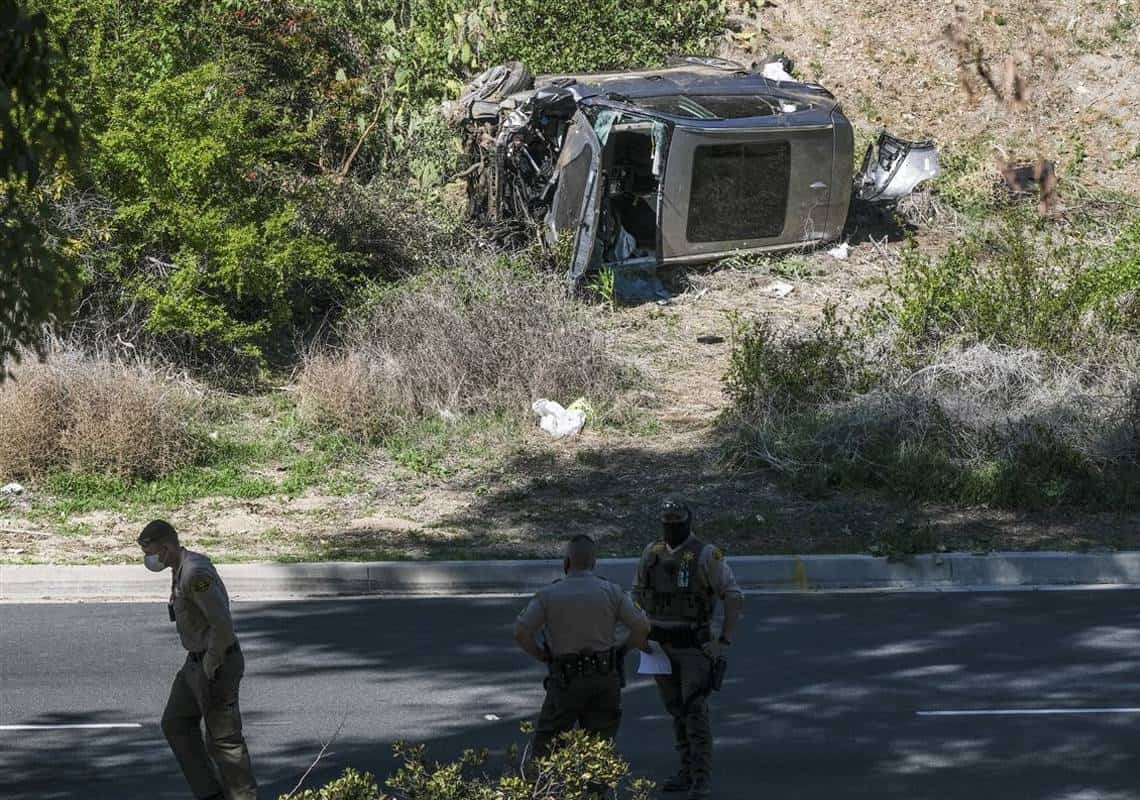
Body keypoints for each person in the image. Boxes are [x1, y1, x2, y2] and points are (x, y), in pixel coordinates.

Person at [138, 519, 258, 800]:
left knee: (224, 741)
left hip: (215, 662)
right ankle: (210, 794)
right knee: (176, 723)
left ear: (166, 547)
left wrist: (210, 665)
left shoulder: (195, 573)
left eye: (150, 551)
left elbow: (222, 626)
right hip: (194, 662)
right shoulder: (178, 568)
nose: (148, 559)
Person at [633, 499, 744, 800]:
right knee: (676, 712)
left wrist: (723, 641)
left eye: (676, 521)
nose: (671, 526)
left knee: (695, 712)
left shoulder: (706, 554)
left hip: (694, 647)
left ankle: (700, 777)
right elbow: (637, 596)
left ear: (688, 521)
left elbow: (733, 596)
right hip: (658, 646)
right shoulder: (651, 554)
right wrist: (640, 636)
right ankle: (685, 771)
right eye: (666, 521)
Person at [514, 533, 651, 759]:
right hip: (604, 677)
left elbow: (520, 632)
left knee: (547, 747)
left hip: (565, 680)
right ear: (594, 562)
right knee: (599, 748)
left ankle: (548, 791)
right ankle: (596, 793)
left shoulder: (549, 594)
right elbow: (642, 627)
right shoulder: (612, 591)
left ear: (566, 562)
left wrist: (542, 655)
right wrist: (624, 648)